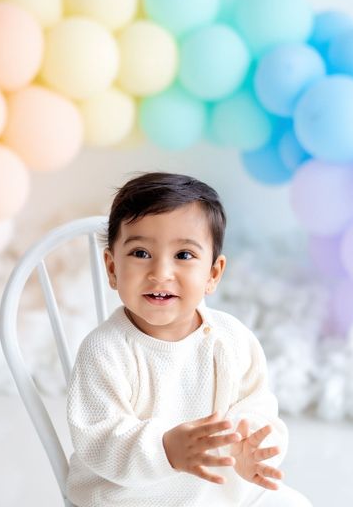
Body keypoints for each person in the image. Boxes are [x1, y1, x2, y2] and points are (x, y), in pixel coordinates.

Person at [66, 172, 312, 507]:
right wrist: (165, 448)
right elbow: (98, 439)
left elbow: (256, 404)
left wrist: (248, 443)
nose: (160, 272)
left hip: (212, 489)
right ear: (112, 268)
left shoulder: (231, 340)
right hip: (129, 496)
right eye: (140, 253)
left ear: (213, 274)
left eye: (183, 255)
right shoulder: (105, 351)